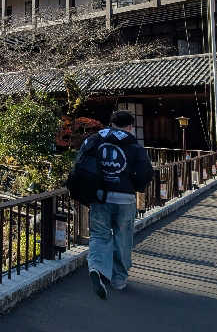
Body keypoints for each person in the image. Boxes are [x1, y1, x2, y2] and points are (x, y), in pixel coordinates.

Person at [82, 110, 153, 300]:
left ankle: (96, 267)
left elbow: (80, 164)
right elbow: (146, 172)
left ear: (110, 124)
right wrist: (135, 186)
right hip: (125, 198)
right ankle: (119, 279)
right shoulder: (133, 145)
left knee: (98, 234)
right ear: (130, 126)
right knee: (123, 237)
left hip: (100, 197)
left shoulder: (95, 140)